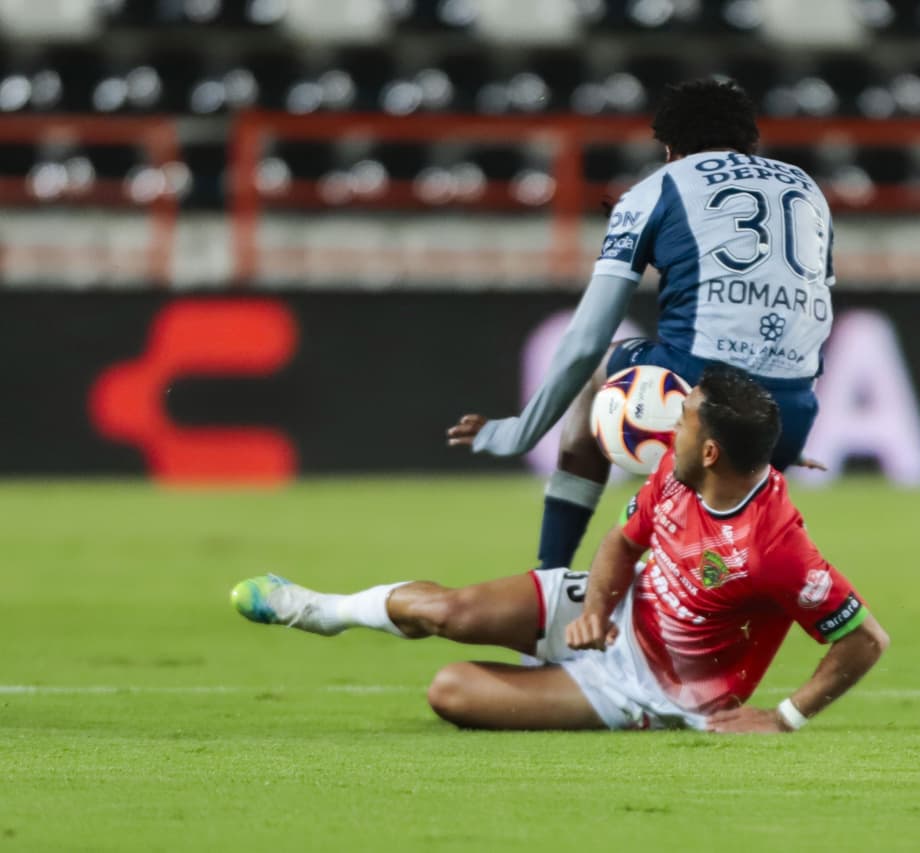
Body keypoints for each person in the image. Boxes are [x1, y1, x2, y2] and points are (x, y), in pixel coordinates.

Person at [232, 365, 887, 732]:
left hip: (650, 689)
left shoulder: (775, 549)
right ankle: (321, 610)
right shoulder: (674, 471)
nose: (670, 426)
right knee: (448, 611)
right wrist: (597, 609)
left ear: (711, 451)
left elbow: (864, 639)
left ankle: (563, 679)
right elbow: (621, 543)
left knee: (450, 690)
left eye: (684, 419)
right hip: (619, 610)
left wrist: (784, 717)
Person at [447, 78, 838, 572]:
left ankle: (552, 574)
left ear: (669, 148)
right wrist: (778, 425)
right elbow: (812, 310)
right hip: (792, 410)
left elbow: (586, 338)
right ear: (751, 141)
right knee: (710, 563)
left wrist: (520, 433)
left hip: (694, 387)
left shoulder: (658, 188)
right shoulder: (807, 188)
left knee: (597, 373)